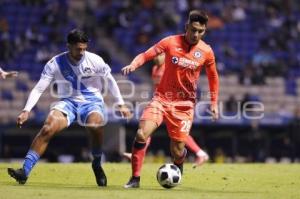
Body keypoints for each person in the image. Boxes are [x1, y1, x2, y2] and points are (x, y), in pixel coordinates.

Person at [7, 29, 132, 186]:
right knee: (47, 128)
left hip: (92, 102)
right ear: (69, 46)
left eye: (84, 48)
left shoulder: (95, 60)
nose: (82, 52)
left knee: (95, 125)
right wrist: (26, 110)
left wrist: (120, 103)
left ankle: (97, 164)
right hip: (68, 102)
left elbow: (111, 80)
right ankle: (24, 171)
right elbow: (39, 88)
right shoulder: (55, 63)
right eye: (78, 49)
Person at [121, 10, 219, 188]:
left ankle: (179, 164)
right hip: (161, 99)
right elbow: (146, 54)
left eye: (200, 31)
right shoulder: (170, 42)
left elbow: (213, 77)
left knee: (178, 149)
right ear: (186, 27)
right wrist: (134, 64)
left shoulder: (206, 51)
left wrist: (213, 103)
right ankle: (135, 179)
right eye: (193, 29)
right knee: (141, 134)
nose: (196, 34)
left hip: (184, 105)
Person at [123, 53, 209, 167]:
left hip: (176, 105)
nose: (156, 58)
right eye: (155, 56)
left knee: (179, 135)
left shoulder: (170, 68)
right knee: (148, 130)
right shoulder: (154, 69)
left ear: (166, 56)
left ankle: (201, 153)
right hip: (162, 105)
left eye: (160, 55)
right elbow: (157, 89)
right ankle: (138, 154)